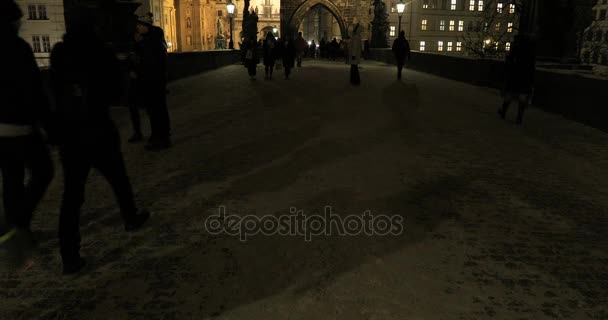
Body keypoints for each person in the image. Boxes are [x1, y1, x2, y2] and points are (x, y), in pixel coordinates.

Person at [50, 7, 150, 274]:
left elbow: (54, 92)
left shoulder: (60, 52)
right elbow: (115, 90)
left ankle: (69, 255)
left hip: (71, 133)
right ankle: (130, 218)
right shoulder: (100, 52)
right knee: (118, 178)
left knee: (72, 195)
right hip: (97, 127)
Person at [0, 0, 55, 270]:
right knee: (43, 171)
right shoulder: (17, 48)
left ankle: (17, 228)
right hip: (20, 127)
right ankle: (17, 225)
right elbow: (34, 90)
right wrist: (50, 125)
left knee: (11, 180)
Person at [133, 15, 172, 151]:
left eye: (139, 25)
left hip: (153, 81)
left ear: (145, 26)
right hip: (153, 80)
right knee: (155, 111)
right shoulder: (150, 40)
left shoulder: (151, 42)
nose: (137, 28)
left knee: (157, 111)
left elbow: (149, 62)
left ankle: (161, 138)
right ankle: (158, 136)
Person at [498, 36, 536, 124]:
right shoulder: (530, 53)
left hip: (514, 76)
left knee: (509, 94)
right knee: (522, 96)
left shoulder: (515, 50)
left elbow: (508, 64)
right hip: (525, 77)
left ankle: (503, 112)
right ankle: (519, 117)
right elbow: (531, 68)